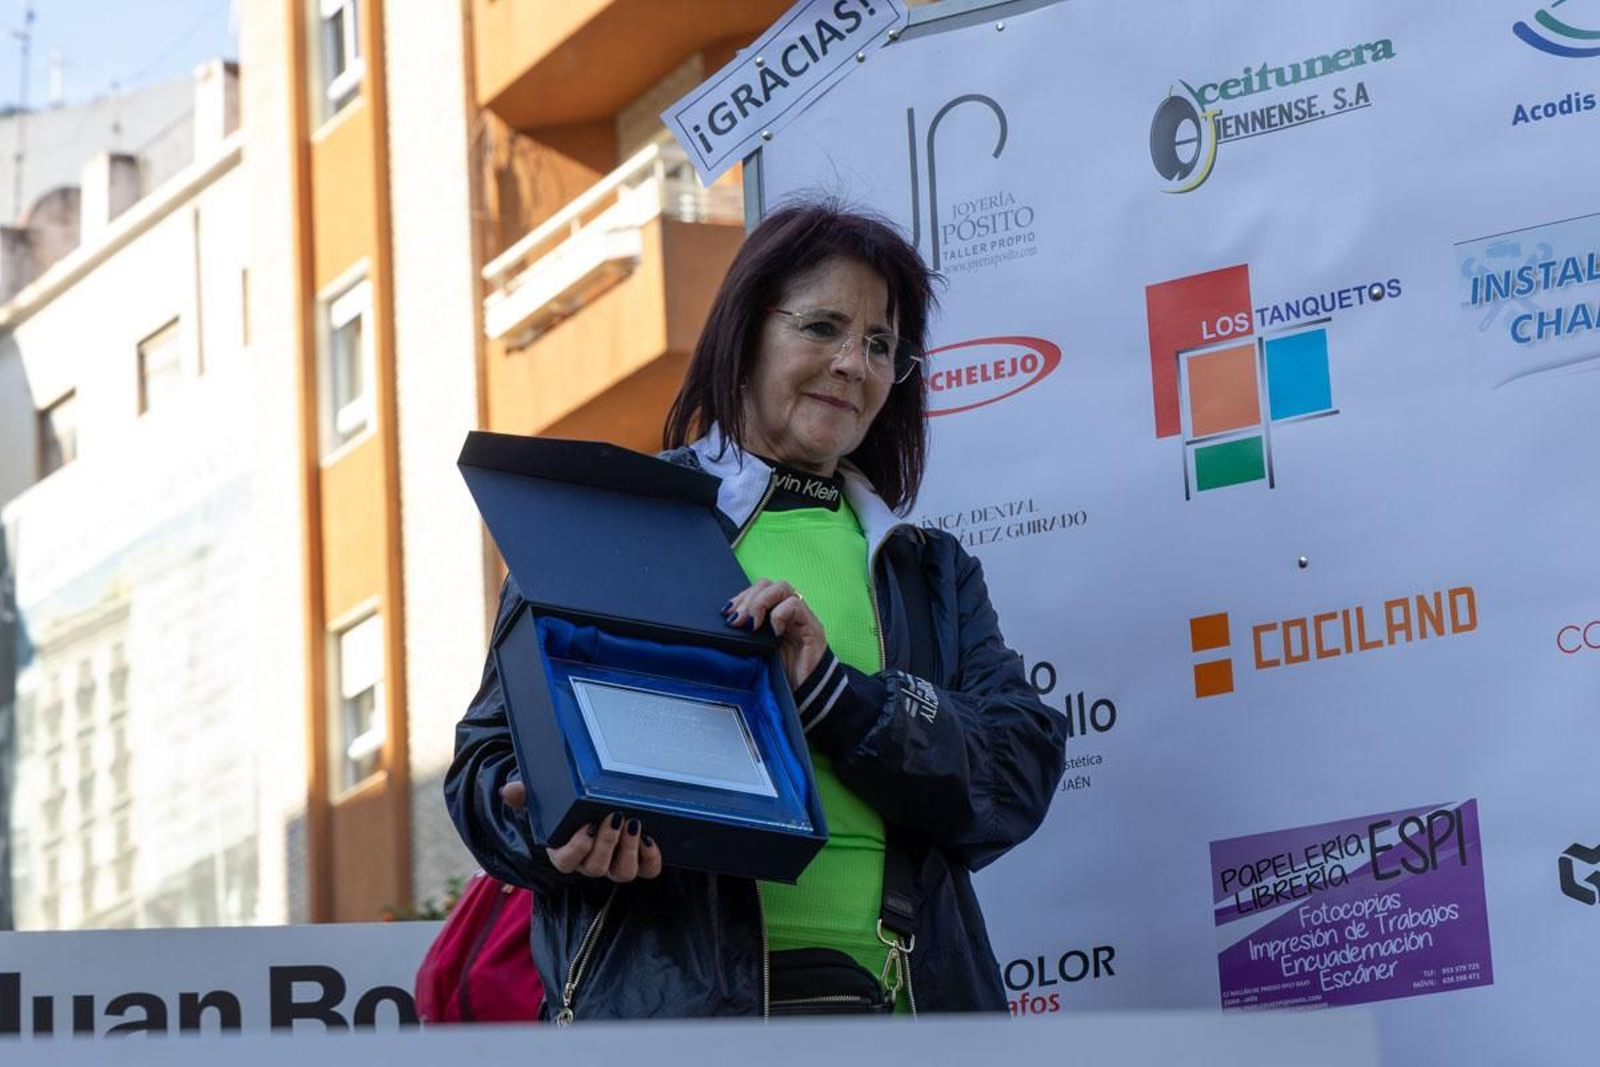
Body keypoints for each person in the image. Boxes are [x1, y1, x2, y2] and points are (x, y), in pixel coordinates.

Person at [446, 202, 1066, 1020]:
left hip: (910, 1015)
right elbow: (485, 765)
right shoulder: (612, 515)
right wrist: (548, 828)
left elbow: (1015, 772)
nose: (853, 363)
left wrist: (835, 696)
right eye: (822, 327)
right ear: (745, 332)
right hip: (678, 1024)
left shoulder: (930, 570)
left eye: (881, 345)